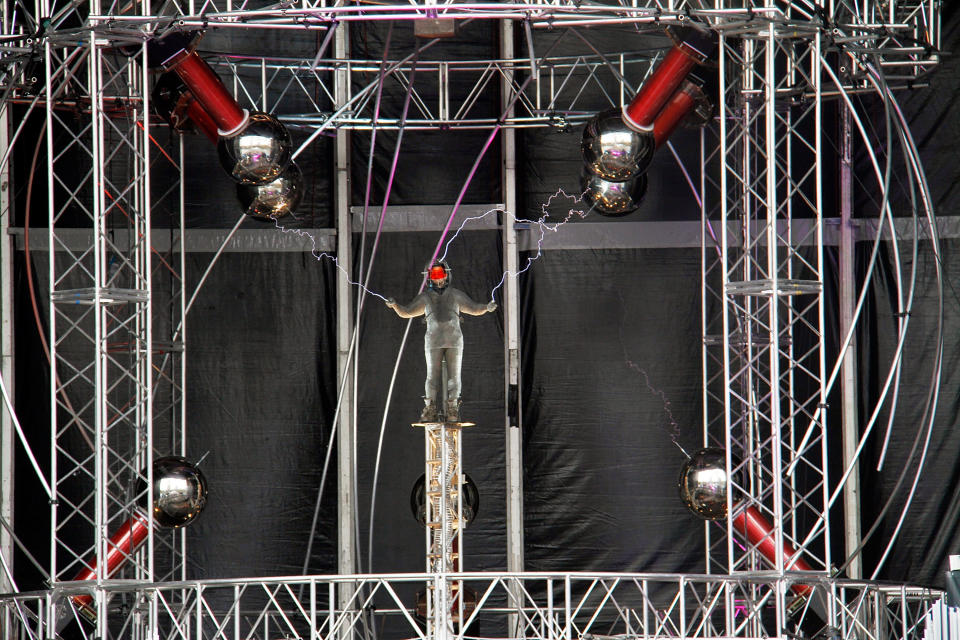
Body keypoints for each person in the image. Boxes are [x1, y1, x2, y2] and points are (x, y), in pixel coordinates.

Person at [386, 261, 497, 422]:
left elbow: (473, 308)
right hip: (433, 341)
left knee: (454, 377)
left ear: (447, 275)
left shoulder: (455, 295)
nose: (439, 279)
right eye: (435, 275)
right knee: (432, 377)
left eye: (441, 275)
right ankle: (429, 409)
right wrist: (395, 305)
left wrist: (486, 307)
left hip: (454, 341)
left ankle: (452, 409)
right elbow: (407, 312)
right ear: (429, 277)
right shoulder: (425, 297)